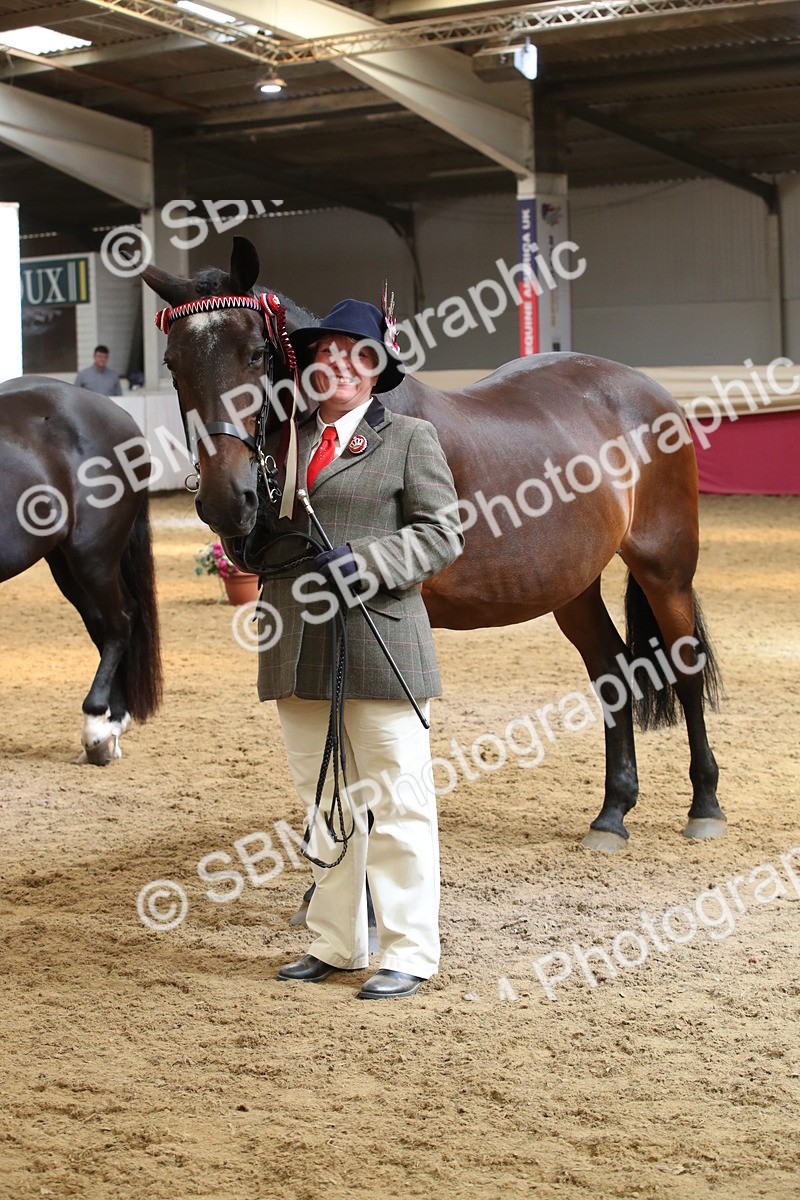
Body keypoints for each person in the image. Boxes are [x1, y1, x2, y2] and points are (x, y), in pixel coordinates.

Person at [236, 299, 463, 999]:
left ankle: (409, 951)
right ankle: (335, 942)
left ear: (375, 370)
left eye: (354, 354)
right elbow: (260, 531)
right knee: (323, 802)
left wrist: (366, 560)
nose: (337, 364)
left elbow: (443, 534)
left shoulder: (409, 438)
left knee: (397, 803)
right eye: (325, 353)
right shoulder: (280, 444)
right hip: (297, 646)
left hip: (377, 642)